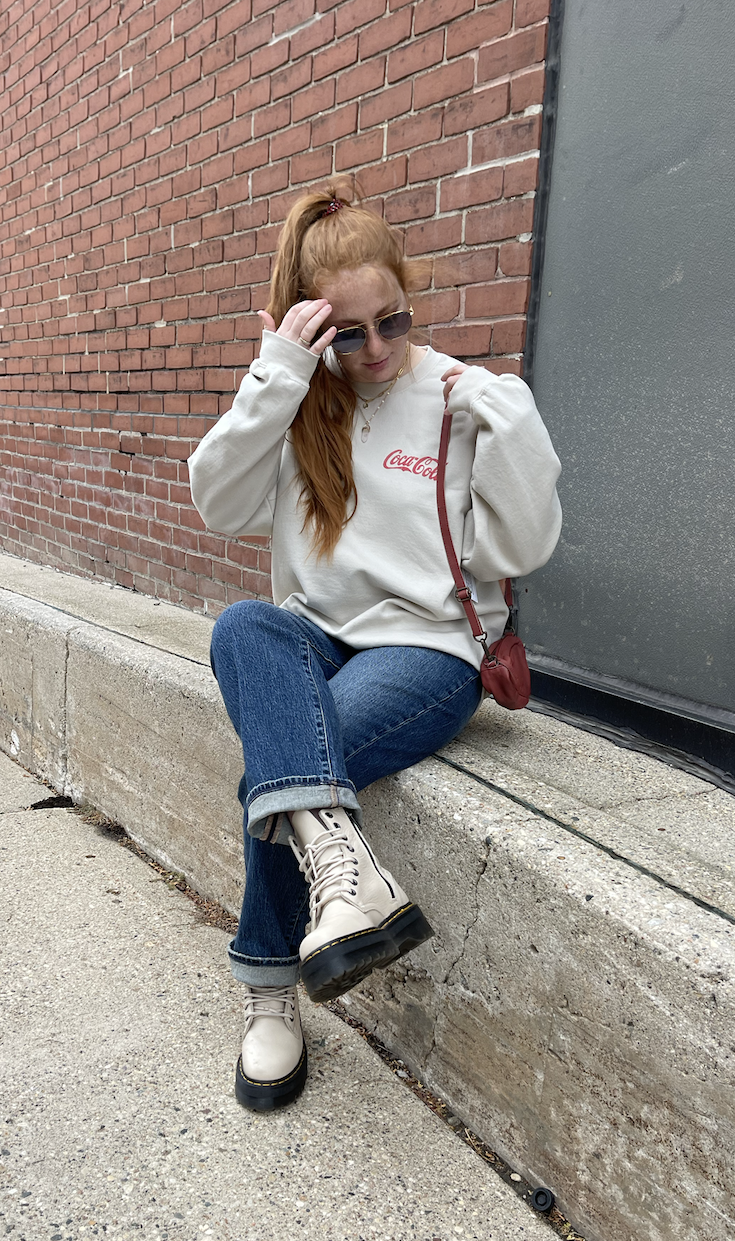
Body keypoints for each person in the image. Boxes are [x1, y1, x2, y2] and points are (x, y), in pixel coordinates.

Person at [188, 183, 562, 1112]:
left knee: (287, 758)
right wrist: (278, 374)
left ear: (408, 294)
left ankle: (270, 994)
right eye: (348, 335)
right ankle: (350, 894)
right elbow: (218, 506)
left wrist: (508, 423)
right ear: (314, 331)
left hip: (427, 649)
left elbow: (518, 551)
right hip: (314, 635)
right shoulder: (296, 399)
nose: (378, 351)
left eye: (391, 320)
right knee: (243, 626)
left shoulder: (454, 399)